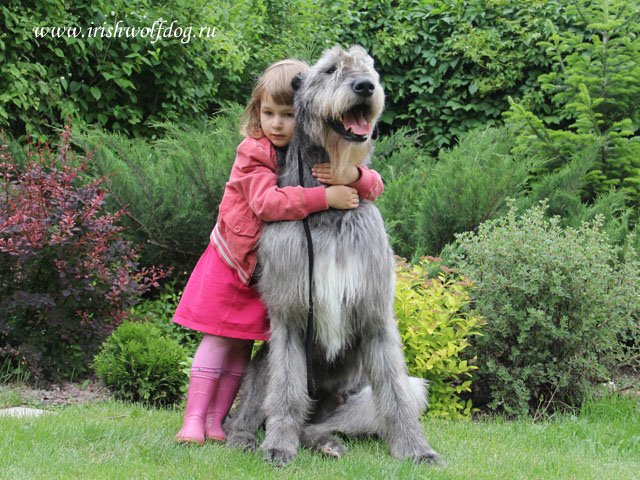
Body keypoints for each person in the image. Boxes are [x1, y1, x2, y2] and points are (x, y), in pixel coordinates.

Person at [172, 58, 385, 445]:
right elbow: (268, 204)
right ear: (257, 114)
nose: (277, 124)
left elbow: (373, 185)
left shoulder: (304, 151)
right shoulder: (255, 152)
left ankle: (218, 422)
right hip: (233, 265)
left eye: (287, 115)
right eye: (268, 114)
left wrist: (353, 176)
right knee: (220, 340)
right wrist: (326, 196)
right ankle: (193, 420)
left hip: (260, 273)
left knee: (244, 349)